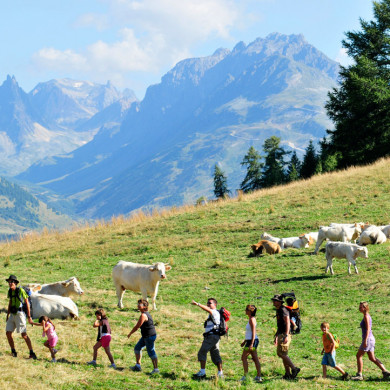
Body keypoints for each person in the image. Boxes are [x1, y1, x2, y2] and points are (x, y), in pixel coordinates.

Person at [351, 302, 390, 381]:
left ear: (365, 308)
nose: (359, 308)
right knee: (372, 358)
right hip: (370, 339)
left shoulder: (366, 316)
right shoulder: (367, 316)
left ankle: (359, 375)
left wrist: (365, 340)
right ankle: (385, 371)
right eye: (359, 306)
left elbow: (368, 328)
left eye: (361, 307)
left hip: (368, 339)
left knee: (359, 356)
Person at [5, 275, 37, 359]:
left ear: (15, 283)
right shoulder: (10, 291)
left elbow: (27, 303)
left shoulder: (21, 290)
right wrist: (7, 315)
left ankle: (32, 353)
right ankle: (13, 351)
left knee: (24, 335)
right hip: (12, 314)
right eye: (9, 282)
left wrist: (29, 316)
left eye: (11, 282)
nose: (10, 283)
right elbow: (10, 303)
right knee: (8, 333)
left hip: (20, 314)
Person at [191, 298, 223, 379]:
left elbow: (208, 310)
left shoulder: (214, 312)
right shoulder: (215, 313)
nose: (208, 304)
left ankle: (202, 372)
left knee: (202, 352)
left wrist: (198, 304)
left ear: (215, 304)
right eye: (207, 303)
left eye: (210, 303)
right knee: (215, 354)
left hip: (211, 336)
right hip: (214, 336)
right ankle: (220, 373)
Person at [271, 294, 300, 380]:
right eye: (273, 300)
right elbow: (280, 324)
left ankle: (294, 369)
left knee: (281, 354)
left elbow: (287, 322)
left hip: (284, 334)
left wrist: (286, 335)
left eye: (275, 300)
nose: (273, 302)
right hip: (281, 333)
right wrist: (276, 336)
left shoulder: (283, 310)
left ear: (279, 302)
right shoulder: (279, 310)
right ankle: (287, 373)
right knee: (283, 354)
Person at [127, 299, 159, 374]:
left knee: (151, 352)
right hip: (146, 336)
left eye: (140, 305)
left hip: (149, 336)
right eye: (138, 304)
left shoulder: (144, 315)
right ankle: (138, 366)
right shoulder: (145, 313)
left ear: (144, 306)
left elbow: (137, 326)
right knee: (137, 348)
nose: (138, 306)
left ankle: (156, 369)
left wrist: (130, 333)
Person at [240, 304, 262, 383]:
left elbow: (253, 332)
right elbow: (249, 333)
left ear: (250, 311)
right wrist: (244, 341)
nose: (245, 310)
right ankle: (258, 376)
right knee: (255, 358)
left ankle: (246, 376)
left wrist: (251, 343)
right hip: (250, 341)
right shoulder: (251, 319)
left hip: (252, 341)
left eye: (246, 309)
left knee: (244, 357)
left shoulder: (252, 319)